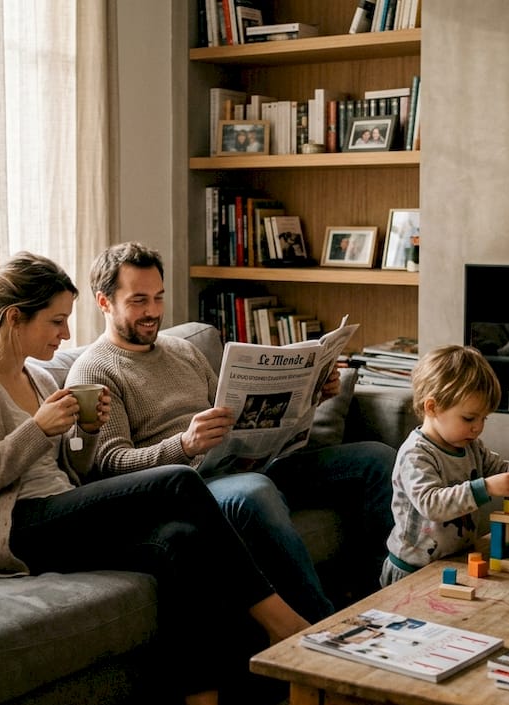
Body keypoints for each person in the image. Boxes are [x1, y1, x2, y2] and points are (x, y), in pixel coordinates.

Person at [0, 252, 308, 705]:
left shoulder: (40, 376)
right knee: (179, 482)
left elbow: (77, 471)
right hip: (11, 529)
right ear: (13, 319)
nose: (66, 335)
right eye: (56, 322)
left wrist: (83, 434)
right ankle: (281, 621)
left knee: (181, 542)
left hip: (59, 510)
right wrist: (37, 429)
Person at [68, 242, 397, 620]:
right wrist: (184, 444)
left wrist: (311, 396)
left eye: (159, 297)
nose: (154, 312)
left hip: (247, 460)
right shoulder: (94, 371)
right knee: (253, 492)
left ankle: (385, 600)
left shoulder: (182, 351)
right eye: (139, 300)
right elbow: (109, 464)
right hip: (196, 486)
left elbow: (234, 412)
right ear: (104, 302)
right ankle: (321, 628)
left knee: (375, 458)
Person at [381, 344, 509, 586]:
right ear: (432, 407)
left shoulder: (470, 445)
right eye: (469, 418)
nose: (478, 427)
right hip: (413, 569)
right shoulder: (416, 454)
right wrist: (487, 488)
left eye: (483, 418)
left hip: (455, 560)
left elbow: (495, 466)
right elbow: (431, 504)